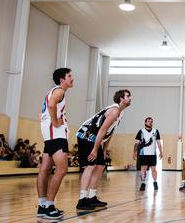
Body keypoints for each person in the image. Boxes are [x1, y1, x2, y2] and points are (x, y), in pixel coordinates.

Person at [76, 89, 131, 210]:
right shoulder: (115, 110)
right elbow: (102, 130)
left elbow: (109, 132)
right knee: (90, 166)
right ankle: (82, 199)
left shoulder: (120, 112)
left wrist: (104, 149)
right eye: (127, 96)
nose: (130, 98)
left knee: (100, 165)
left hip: (96, 139)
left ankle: (92, 197)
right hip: (87, 135)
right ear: (121, 99)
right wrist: (95, 149)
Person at [36, 67, 74, 220]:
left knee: (44, 169)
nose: (72, 78)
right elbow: (51, 106)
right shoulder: (59, 91)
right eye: (70, 76)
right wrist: (56, 121)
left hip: (49, 134)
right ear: (61, 79)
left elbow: (44, 111)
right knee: (62, 169)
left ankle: (42, 205)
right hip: (56, 134)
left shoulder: (51, 91)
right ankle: (49, 206)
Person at [134, 116, 163, 191]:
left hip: (152, 154)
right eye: (148, 121)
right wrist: (134, 152)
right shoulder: (141, 131)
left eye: (151, 121)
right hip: (143, 154)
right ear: (145, 122)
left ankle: (155, 182)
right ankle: (143, 183)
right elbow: (136, 143)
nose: (150, 122)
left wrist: (161, 151)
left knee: (153, 169)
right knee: (143, 168)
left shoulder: (155, 131)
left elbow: (158, 142)